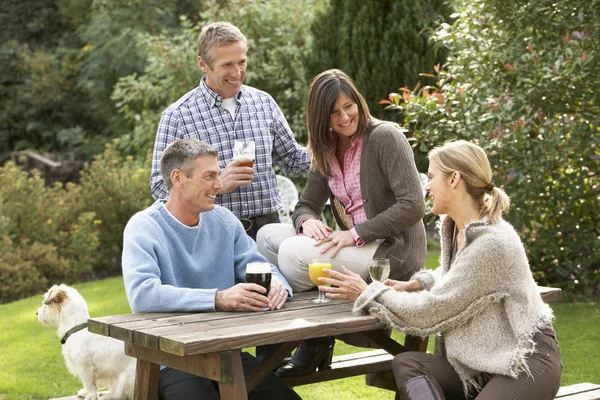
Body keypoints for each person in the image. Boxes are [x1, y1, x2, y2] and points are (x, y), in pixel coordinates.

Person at [319, 140, 562, 400]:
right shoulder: (456, 228)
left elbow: (430, 312)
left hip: (523, 361)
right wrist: (419, 283)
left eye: (432, 176)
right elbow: (458, 277)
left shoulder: (493, 242)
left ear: (454, 179)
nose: (427, 186)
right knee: (408, 363)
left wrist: (369, 292)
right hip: (482, 365)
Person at [256, 69, 427, 377]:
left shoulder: (385, 137)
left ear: (359, 103)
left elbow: (413, 204)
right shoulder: (325, 148)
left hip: (391, 250)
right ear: (321, 116)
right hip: (352, 242)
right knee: (268, 236)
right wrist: (307, 222)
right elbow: (306, 205)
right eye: (334, 111)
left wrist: (355, 233)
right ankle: (313, 335)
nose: (345, 116)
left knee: (293, 253)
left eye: (349, 106)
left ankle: (312, 339)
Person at [123, 138, 301, 400]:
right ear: (178, 178)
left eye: (218, 175)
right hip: (171, 359)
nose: (219, 185)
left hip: (226, 353)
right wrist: (218, 298)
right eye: (210, 176)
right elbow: (142, 294)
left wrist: (276, 284)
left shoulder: (223, 221)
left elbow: (258, 264)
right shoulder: (144, 227)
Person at [150, 21, 310, 240]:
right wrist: (215, 184)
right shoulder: (177, 116)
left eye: (242, 62)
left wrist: (334, 143)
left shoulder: (264, 103)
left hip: (269, 232)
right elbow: (160, 186)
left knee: (276, 277)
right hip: (211, 234)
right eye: (227, 64)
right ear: (202, 64)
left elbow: (293, 160)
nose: (237, 72)